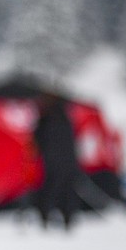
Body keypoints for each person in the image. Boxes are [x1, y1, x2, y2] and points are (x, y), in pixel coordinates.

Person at [32, 94, 81, 229]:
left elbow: (37, 140)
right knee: (66, 190)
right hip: (67, 161)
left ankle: (45, 216)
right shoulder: (66, 118)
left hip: (51, 162)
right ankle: (67, 218)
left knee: (50, 189)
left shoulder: (45, 119)